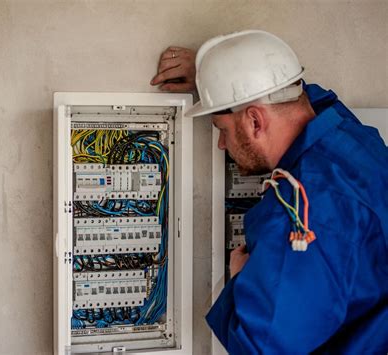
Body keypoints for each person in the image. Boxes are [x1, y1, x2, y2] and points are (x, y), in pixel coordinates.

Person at [151, 30, 388, 354]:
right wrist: (216, 78)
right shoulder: (355, 140)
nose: (222, 144)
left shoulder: (304, 210)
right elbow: (303, 96)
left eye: (222, 130)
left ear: (255, 121)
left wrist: (242, 281)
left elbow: (262, 346)